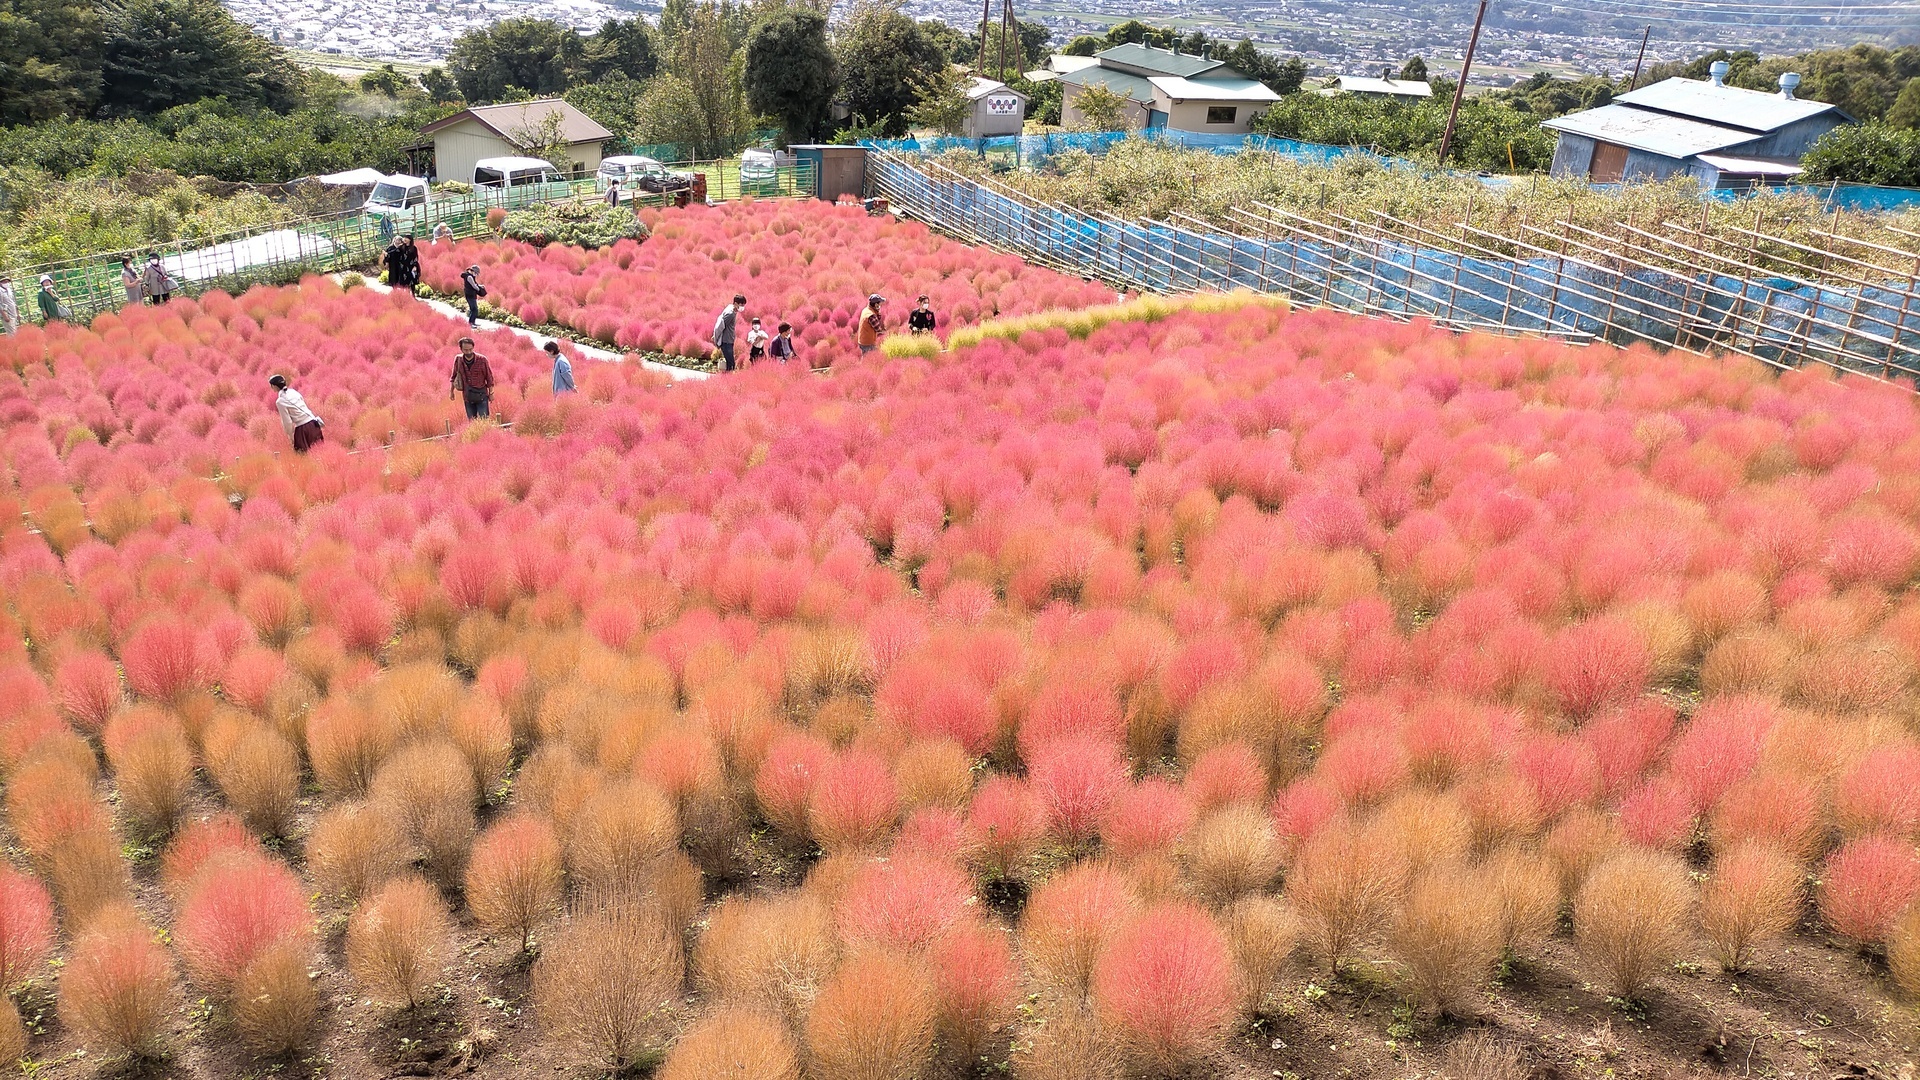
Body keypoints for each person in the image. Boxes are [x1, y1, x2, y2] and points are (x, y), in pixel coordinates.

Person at [270, 374, 324, 452]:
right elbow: (303, 404)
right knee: (319, 452)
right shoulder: (293, 392)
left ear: (274, 386)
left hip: (303, 428)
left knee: (303, 456)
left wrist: (291, 436)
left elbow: (287, 422)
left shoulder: (280, 401)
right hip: (314, 423)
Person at [450, 336, 494, 420]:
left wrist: (491, 393)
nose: (469, 352)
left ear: (473, 347)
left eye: (470, 349)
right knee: (471, 421)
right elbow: (453, 376)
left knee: (484, 420)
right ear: (461, 349)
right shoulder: (458, 359)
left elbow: (489, 377)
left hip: (481, 395)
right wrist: (451, 392)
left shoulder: (482, 359)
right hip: (467, 396)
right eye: (466, 350)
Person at [711, 293, 744, 372]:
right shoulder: (731, 314)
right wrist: (716, 336)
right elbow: (721, 326)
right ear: (735, 303)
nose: (742, 307)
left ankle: (728, 378)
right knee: (731, 363)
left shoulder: (731, 309)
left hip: (729, 340)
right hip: (726, 341)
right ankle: (728, 379)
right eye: (741, 304)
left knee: (730, 362)